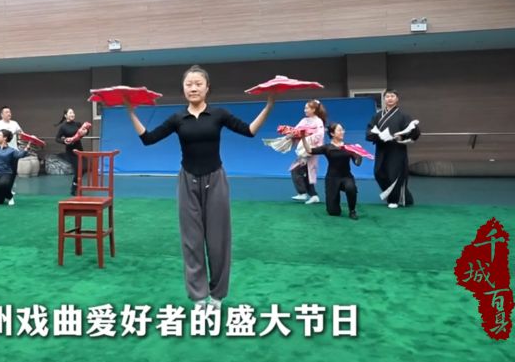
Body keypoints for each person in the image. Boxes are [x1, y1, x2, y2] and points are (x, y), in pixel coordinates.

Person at [125, 65, 275, 310]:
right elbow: (149, 139)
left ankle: (217, 296)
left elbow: (249, 131)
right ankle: (198, 297)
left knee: (218, 241)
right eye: (188, 84)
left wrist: (269, 105)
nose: (193, 88)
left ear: (207, 88)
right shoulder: (177, 118)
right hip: (187, 181)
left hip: (215, 181)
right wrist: (131, 112)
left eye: (198, 84)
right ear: (183, 89)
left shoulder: (219, 114)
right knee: (192, 241)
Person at [365, 89, 420, 208]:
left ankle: (393, 200)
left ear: (397, 99)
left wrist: (402, 136)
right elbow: (369, 131)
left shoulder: (403, 116)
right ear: (384, 99)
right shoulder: (377, 116)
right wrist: (378, 136)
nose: (390, 98)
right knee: (379, 173)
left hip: (396, 149)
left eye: (392, 96)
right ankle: (404, 197)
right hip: (382, 148)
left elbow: (413, 131)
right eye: (387, 96)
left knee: (394, 174)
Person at [304, 123, 363, 220]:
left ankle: (352, 211)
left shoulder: (349, 147)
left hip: (346, 177)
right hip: (332, 179)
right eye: (339, 130)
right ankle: (334, 207)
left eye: (343, 130)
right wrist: (303, 138)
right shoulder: (327, 147)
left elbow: (357, 163)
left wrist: (359, 152)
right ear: (332, 133)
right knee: (333, 212)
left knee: (351, 188)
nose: (342, 132)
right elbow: (310, 150)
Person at [288, 100, 327, 205]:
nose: (305, 110)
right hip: (303, 150)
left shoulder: (318, 121)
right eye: (305, 108)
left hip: (311, 150)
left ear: (313, 109)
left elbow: (320, 135)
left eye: (307, 108)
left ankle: (303, 193)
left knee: (297, 170)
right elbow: (296, 130)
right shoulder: (304, 120)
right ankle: (314, 196)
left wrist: (308, 138)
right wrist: (289, 132)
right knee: (306, 174)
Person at [55, 108, 89, 195]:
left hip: (79, 150)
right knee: (78, 169)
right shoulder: (63, 127)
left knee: (85, 167)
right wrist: (64, 140)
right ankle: (74, 187)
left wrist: (86, 131)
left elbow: (86, 131)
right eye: (70, 113)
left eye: (73, 112)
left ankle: (75, 184)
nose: (72, 114)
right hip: (71, 151)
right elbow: (57, 138)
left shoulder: (78, 124)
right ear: (66, 115)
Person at [0, 106, 23, 194]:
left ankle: (9, 189)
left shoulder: (14, 123)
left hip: (13, 152)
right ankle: (1, 189)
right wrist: (2, 137)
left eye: (10, 112)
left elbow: (21, 133)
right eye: (6, 112)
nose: (9, 113)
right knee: (3, 171)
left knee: (13, 172)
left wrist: (28, 138)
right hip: (2, 153)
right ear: (2, 114)